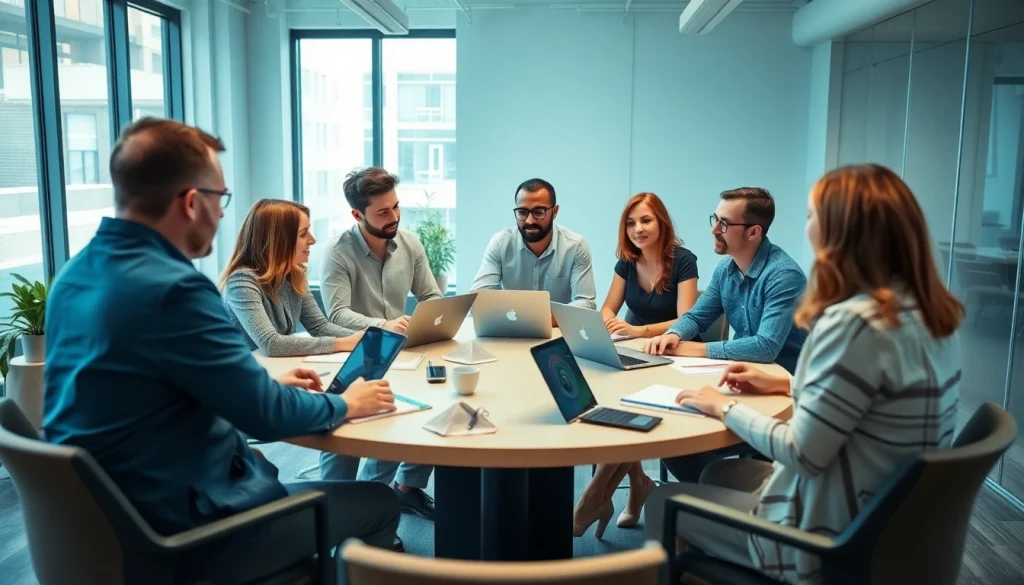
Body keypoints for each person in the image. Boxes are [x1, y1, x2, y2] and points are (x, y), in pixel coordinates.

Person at [43, 117, 402, 583]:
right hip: (187, 532)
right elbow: (265, 417)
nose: (221, 214)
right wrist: (346, 403)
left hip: (110, 522)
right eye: (220, 199)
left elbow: (147, 391)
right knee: (379, 502)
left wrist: (256, 385)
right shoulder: (174, 290)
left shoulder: (74, 277)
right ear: (192, 203)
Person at [644, 163, 963, 585]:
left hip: (826, 538)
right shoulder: (931, 317)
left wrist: (724, 408)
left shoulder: (853, 324)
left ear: (839, 232)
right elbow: (876, 397)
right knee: (716, 473)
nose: (806, 227)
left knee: (662, 501)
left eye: (812, 216)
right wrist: (789, 382)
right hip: (886, 518)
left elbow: (802, 453)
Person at [571, 192, 700, 535]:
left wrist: (637, 330)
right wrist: (611, 324)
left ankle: (593, 497)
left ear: (662, 223)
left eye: (645, 220)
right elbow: (607, 308)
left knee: (628, 410)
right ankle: (639, 483)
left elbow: (686, 318)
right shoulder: (627, 261)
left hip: (674, 353)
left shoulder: (684, 261)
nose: (637, 229)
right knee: (612, 404)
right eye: (631, 223)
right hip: (635, 350)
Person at [319, 166, 438, 519]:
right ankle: (341, 513)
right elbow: (336, 314)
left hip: (402, 350)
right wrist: (383, 324)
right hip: (358, 353)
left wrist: (433, 321)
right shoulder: (338, 252)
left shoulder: (410, 243)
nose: (394, 217)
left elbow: (431, 296)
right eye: (383, 212)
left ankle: (400, 491)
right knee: (344, 432)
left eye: (396, 206)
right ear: (358, 215)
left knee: (433, 403)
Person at [643, 187, 807, 373]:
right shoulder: (725, 269)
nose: (714, 230)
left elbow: (766, 347)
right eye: (715, 219)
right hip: (742, 370)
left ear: (753, 232)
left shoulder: (784, 276)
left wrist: (699, 349)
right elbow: (696, 317)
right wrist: (674, 334)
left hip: (784, 378)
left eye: (724, 224)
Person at [222, 198, 365, 357]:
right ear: (278, 240)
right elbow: (271, 344)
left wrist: (368, 338)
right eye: (303, 234)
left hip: (272, 367)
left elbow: (319, 326)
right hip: (240, 368)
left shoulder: (295, 275)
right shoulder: (241, 282)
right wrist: (345, 343)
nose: (312, 240)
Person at [470, 178, 597, 320]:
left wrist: (543, 319)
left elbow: (586, 303)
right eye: (522, 212)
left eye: (538, 212)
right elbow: (478, 299)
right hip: (511, 329)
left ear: (555, 212)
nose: (530, 221)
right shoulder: (501, 244)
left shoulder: (576, 246)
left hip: (556, 330)